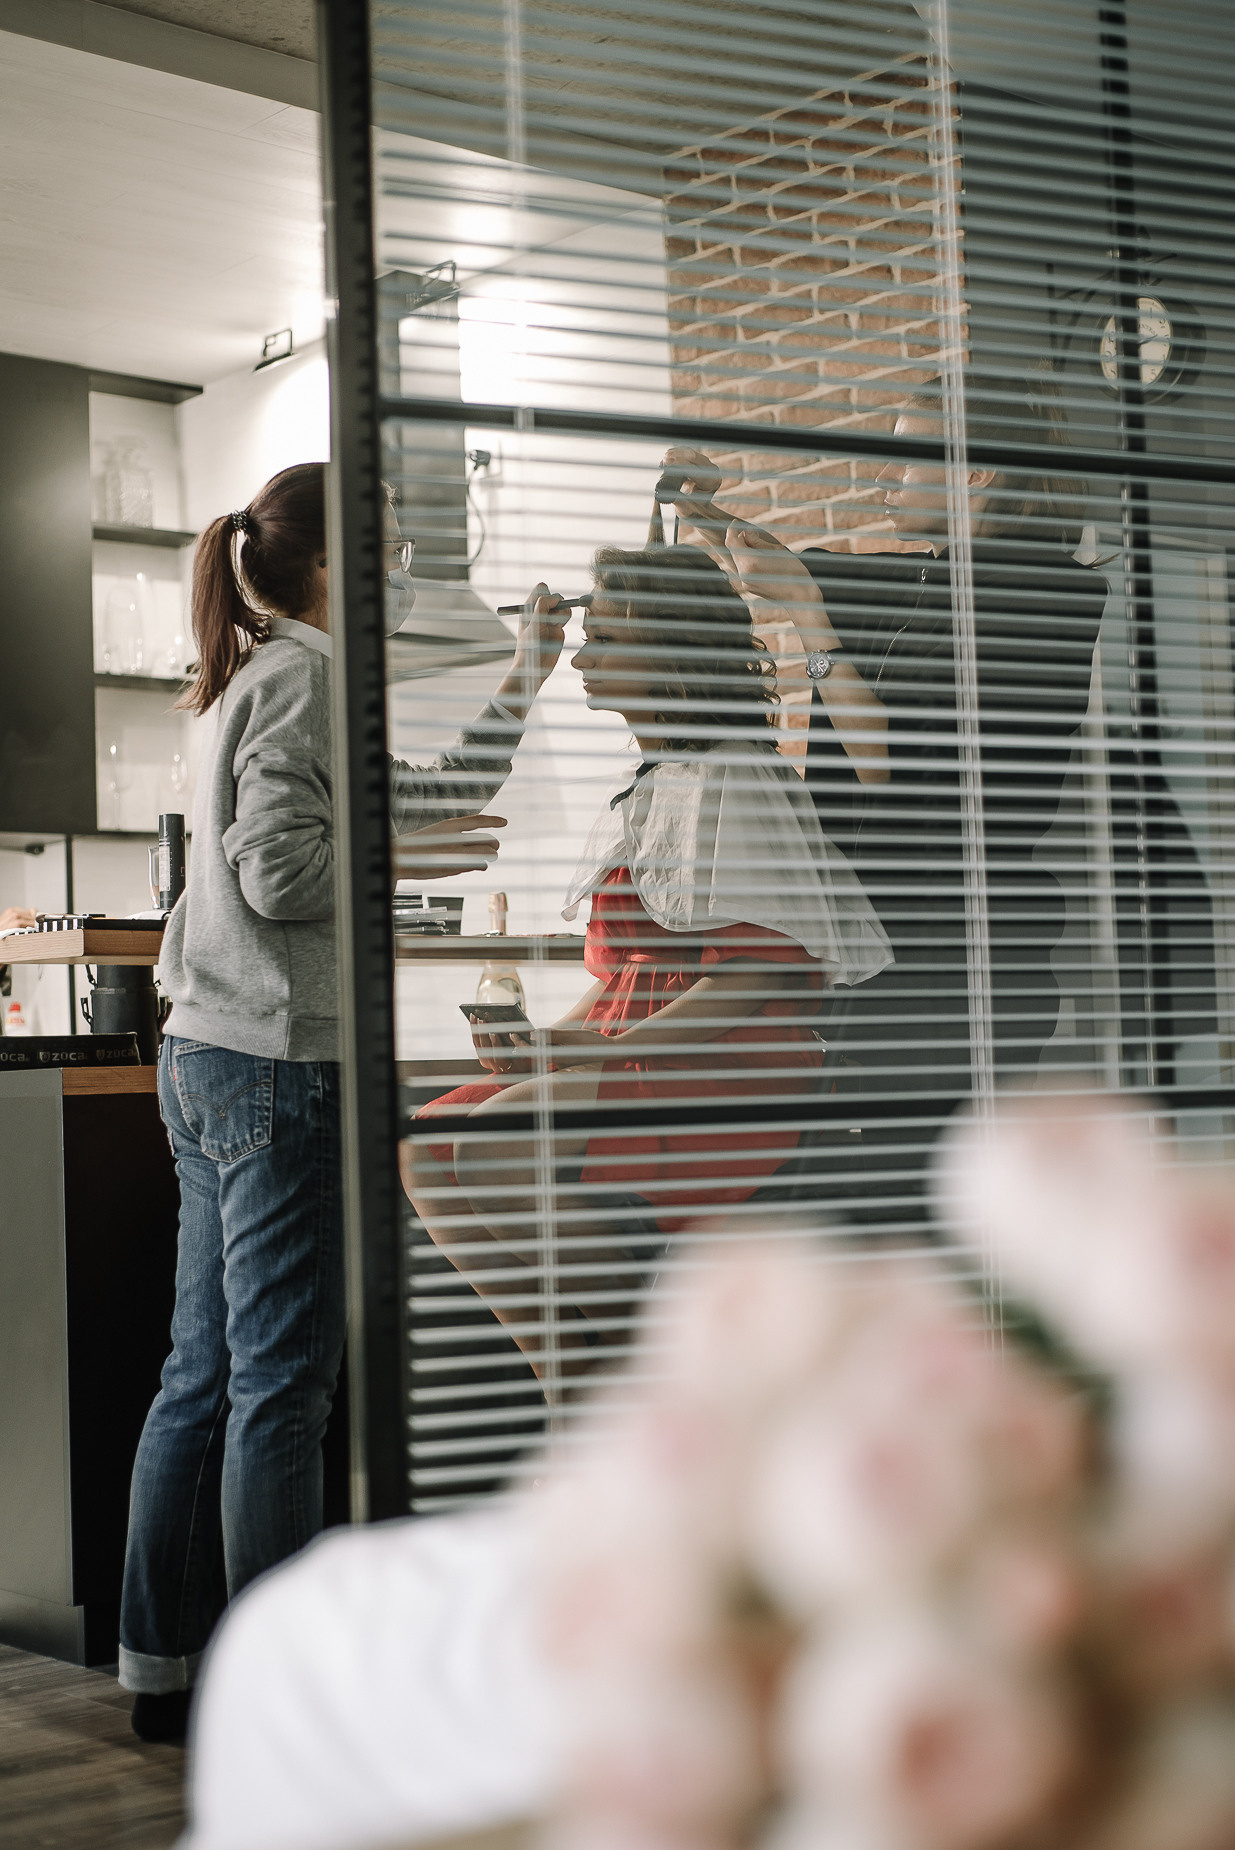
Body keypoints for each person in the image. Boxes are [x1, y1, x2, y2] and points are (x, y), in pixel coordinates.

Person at [119, 462, 564, 1740]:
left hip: (209, 1052)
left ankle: (162, 1668)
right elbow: (280, 873)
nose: (401, 571)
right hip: (277, 1058)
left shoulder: (256, 679)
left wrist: (524, 672)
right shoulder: (303, 681)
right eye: (388, 548)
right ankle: (287, 1707)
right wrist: (392, 859)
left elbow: (424, 795)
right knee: (279, 1389)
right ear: (330, 562)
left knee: (202, 1374)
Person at [402, 545, 889, 1374]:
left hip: (724, 1061)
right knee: (426, 1149)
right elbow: (619, 978)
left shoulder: (739, 779)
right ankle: (562, 1365)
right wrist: (546, 1044)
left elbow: (756, 975)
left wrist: (602, 1048)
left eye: (605, 639)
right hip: (638, 1049)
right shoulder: (654, 784)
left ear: (667, 651)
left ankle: (640, 1370)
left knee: (490, 1148)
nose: (581, 658)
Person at [659, 372, 1108, 1233]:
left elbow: (890, 769)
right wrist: (701, 510)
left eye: (902, 460)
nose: (880, 481)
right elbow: (779, 564)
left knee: (912, 1219)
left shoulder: (1043, 597)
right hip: (881, 949)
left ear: (972, 471)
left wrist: (810, 620)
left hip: (954, 963)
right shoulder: (923, 581)